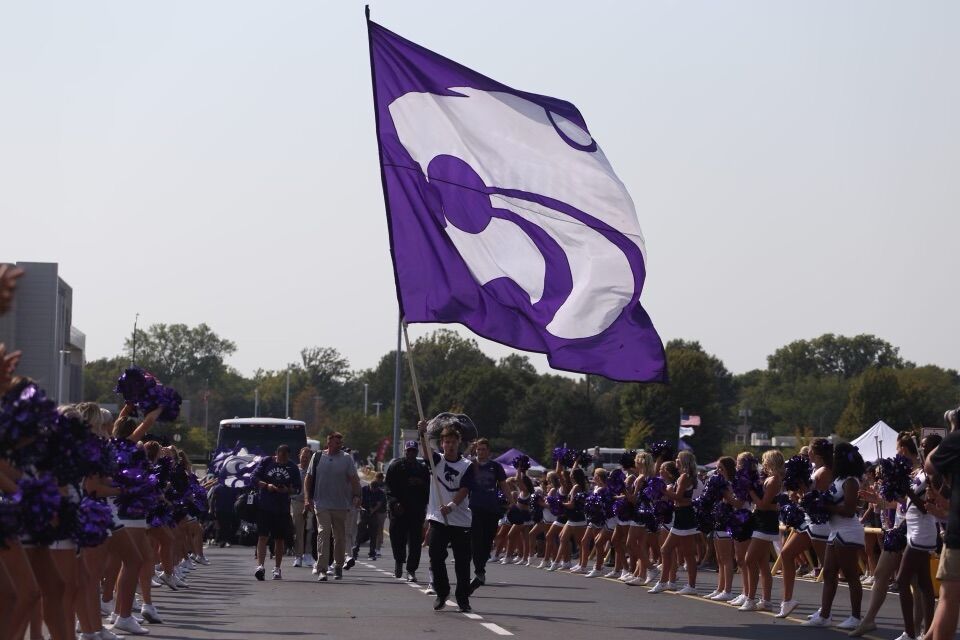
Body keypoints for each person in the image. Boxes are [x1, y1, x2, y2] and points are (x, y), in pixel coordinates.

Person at [804, 442, 865, 629]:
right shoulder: (838, 480)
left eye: (836, 456)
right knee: (829, 573)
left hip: (848, 531)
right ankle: (824, 615)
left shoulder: (851, 482)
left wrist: (825, 506)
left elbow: (849, 510)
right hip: (835, 530)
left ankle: (856, 617)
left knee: (851, 574)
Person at [418, 416, 476, 613]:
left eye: (453, 442)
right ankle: (442, 592)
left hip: (460, 520)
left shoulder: (467, 465)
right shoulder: (437, 461)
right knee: (435, 555)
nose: (449, 445)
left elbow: (464, 490)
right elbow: (426, 452)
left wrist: (451, 506)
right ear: (441, 443)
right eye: (446, 442)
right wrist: (422, 433)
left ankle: (463, 598)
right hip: (438, 518)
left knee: (462, 561)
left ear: (459, 443)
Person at [303, 432, 361, 582]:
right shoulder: (317, 457)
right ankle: (322, 568)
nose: (339, 445)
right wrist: (307, 499)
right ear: (328, 443)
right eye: (336, 442)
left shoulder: (346, 459)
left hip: (341, 504)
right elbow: (308, 479)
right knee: (323, 532)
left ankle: (338, 566)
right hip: (321, 503)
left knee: (339, 537)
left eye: (340, 443)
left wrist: (357, 496)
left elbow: (354, 480)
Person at [925, 408, 960, 640]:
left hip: (959, 533)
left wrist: (954, 430)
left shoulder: (956, 440)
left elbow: (929, 464)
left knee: (948, 597)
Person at [740, 449, 784, 612]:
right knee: (762, 563)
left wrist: (750, 490)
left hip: (765, 522)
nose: (763, 464)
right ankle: (766, 601)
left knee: (749, 559)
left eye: (765, 460)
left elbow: (764, 504)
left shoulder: (774, 480)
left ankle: (750, 598)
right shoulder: (769, 478)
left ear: (771, 462)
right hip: (761, 520)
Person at [467, 438, 512, 590]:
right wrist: (469, 449)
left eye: (484, 449)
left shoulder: (496, 467)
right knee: (475, 541)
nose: (481, 452)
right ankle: (479, 571)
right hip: (474, 508)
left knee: (487, 542)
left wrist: (511, 501)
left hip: (491, 509)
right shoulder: (471, 465)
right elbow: (459, 460)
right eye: (478, 449)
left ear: (489, 451)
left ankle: (481, 566)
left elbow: (504, 485)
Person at [252, 444, 300, 581]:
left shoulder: (292, 467)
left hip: (282, 508)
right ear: (276, 454)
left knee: (279, 539)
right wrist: (267, 486)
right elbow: (253, 478)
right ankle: (260, 566)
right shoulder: (267, 462)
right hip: (265, 506)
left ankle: (277, 568)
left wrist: (287, 490)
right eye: (281, 456)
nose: (283, 459)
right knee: (262, 536)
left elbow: (298, 488)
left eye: (285, 457)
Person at [385, 440, 430, 581]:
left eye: (413, 451)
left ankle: (411, 570)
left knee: (415, 542)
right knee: (397, 538)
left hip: (416, 510)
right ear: (405, 451)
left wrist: (420, 483)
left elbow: (429, 488)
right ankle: (399, 561)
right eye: (408, 451)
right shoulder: (396, 466)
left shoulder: (422, 469)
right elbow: (388, 488)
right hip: (399, 510)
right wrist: (394, 503)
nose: (411, 453)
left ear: (416, 452)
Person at [290, 446, 315, 568]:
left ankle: (308, 554)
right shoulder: (295, 469)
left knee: (310, 529)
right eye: (303, 456)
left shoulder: (313, 471)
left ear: (310, 458)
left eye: (307, 457)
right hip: (297, 502)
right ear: (299, 456)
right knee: (298, 530)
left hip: (310, 503)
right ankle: (298, 556)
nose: (304, 459)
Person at [357, 472, 387, 560]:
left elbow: (379, 503)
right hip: (365, 513)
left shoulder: (381, 491)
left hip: (378, 512)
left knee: (376, 531)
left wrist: (372, 510)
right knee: (360, 530)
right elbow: (359, 500)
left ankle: (375, 550)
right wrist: (362, 509)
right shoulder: (364, 489)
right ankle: (356, 549)